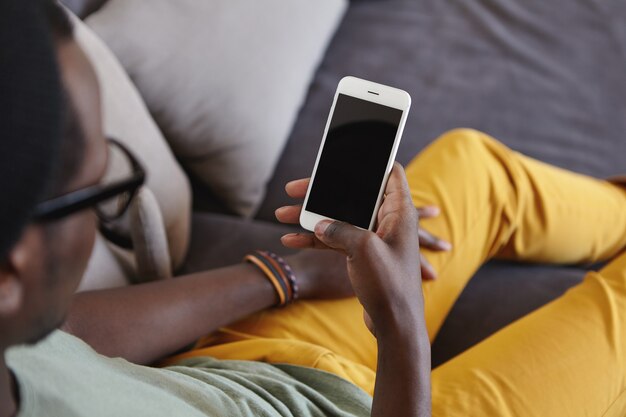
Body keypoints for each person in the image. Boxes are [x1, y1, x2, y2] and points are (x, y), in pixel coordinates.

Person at [1, 2, 625, 416]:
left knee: (473, 164)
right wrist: (400, 325)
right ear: (11, 274)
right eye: (99, 192)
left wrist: (282, 274)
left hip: (244, 363)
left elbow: (68, 333)